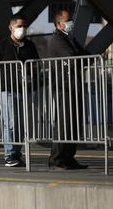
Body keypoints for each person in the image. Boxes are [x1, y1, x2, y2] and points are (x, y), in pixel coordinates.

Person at [47, 10, 89, 170]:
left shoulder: (69, 38)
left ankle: (69, 158)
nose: (71, 22)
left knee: (74, 124)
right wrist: (81, 58)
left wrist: (83, 58)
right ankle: (56, 160)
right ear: (59, 24)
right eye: (68, 20)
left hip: (74, 86)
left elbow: (84, 55)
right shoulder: (57, 40)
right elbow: (73, 58)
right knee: (64, 124)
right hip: (63, 87)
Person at [0, 14, 39, 168]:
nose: (22, 29)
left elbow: (36, 63)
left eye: (24, 26)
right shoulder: (2, 45)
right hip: (7, 89)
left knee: (21, 124)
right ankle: (9, 154)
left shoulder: (30, 45)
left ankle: (17, 153)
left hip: (24, 89)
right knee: (10, 123)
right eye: (19, 26)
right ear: (11, 27)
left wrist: (31, 73)